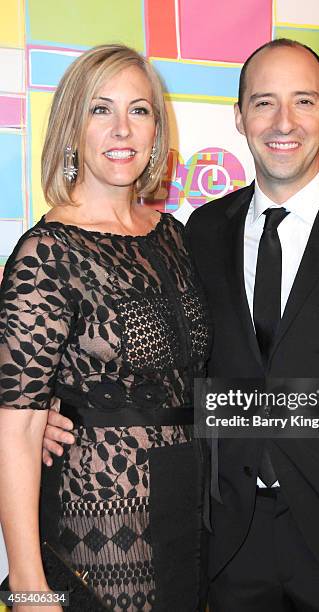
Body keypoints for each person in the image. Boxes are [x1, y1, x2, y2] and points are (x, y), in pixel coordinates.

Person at [43, 39, 319, 611]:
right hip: (226, 546)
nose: (284, 122)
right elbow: (175, 369)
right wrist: (71, 410)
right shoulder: (198, 234)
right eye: (264, 103)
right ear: (240, 117)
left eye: (303, 101)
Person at [0, 44, 210, 612]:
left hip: (186, 512)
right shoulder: (48, 252)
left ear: (156, 130)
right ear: (72, 125)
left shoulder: (175, 235)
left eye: (139, 111)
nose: (122, 128)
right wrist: (27, 585)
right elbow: (17, 430)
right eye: (101, 109)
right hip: (100, 521)